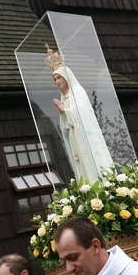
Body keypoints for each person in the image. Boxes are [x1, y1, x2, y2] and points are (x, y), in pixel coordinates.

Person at [47, 45, 114, 183]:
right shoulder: (63, 98)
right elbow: (65, 126)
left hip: (86, 138)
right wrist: (63, 113)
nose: (57, 82)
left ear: (66, 77)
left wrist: (65, 111)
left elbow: (82, 115)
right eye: (55, 79)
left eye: (59, 77)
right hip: (75, 140)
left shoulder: (77, 92)